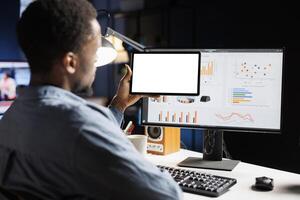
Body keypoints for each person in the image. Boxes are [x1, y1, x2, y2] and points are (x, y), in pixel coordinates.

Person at [0, 0, 182, 199]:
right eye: (95, 52)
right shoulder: (79, 125)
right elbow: (167, 195)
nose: (96, 62)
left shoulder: (12, 117)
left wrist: (119, 105)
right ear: (71, 62)